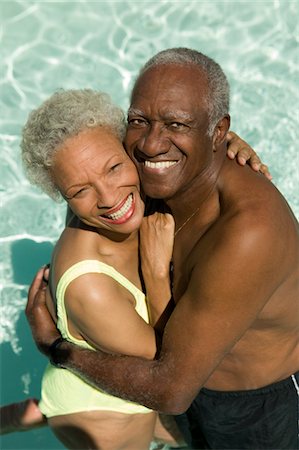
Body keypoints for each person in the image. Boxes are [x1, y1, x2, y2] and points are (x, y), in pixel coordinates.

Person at [25, 47, 296, 450]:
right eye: (139, 121)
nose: (152, 145)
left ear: (218, 131)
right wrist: (194, 136)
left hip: (255, 406)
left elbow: (171, 390)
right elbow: (83, 160)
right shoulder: (137, 176)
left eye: (177, 124)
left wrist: (59, 349)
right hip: (185, 387)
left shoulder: (246, 231)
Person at [21, 88, 184, 450]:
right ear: (63, 196)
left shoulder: (130, 185)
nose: (109, 199)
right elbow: (170, 365)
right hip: (102, 417)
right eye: (80, 191)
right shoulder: (89, 286)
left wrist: (230, 143)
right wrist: (156, 272)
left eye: (113, 168)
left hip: (84, 383)